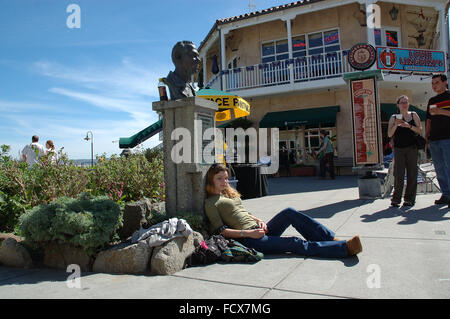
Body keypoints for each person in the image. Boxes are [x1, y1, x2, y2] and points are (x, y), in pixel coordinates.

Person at [204, 163, 362, 258]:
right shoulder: (211, 202)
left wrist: (259, 221)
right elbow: (220, 231)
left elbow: (244, 213)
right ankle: (343, 248)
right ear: (211, 180)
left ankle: (330, 239)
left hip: (259, 229)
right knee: (293, 242)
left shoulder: (229, 194)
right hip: (251, 240)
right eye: (220, 178)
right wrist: (248, 234)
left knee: (289, 212)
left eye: (225, 178)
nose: (224, 181)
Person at [387, 95, 422, 207]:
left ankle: (409, 199)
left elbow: (420, 130)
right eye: (402, 102)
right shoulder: (393, 117)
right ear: (398, 105)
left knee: (412, 173)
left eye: (406, 102)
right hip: (399, 149)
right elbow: (389, 134)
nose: (404, 104)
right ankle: (396, 199)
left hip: (412, 148)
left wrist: (409, 126)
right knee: (398, 174)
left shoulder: (413, 115)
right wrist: (396, 125)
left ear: (408, 104)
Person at [425, 74, 450, 207]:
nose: (434, 85)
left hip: (448, 138)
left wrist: (440, 111)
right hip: (434, 139)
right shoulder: (431, 100)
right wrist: (427, 136)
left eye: (437, 82)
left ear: (445, 82)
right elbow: (428, 119)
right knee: (439, 168)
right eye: (432, 83)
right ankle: (446, 194)